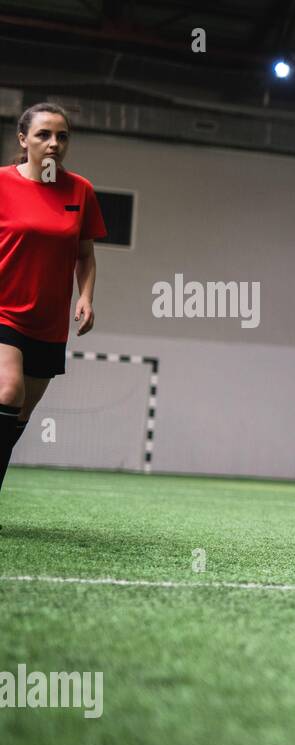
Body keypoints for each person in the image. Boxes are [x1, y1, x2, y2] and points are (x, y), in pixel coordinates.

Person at [0, 102, 107, 514]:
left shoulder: (80, 191)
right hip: (4, 312)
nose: (54, 143)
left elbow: (85, 254)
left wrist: (85, 296)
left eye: (62, 136)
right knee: (8, 391)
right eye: (44, 134)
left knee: (16, 420)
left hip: (48, 324)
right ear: (23, 139)